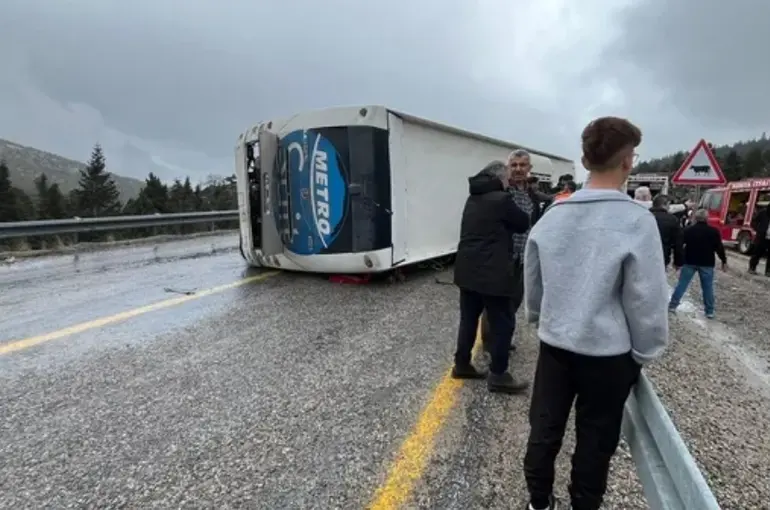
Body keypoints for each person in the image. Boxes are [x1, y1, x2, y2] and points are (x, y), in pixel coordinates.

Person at [522, 116, 669, 510]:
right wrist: (645, 350)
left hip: (555, 345)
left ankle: (538, 501)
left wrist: (539, 317)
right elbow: (647, 299)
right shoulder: (637, 221)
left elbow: (533, 279)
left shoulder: (554, 216)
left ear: (585, 162)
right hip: (607, 355)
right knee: (596, 440)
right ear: (627, 162)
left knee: (544, 429)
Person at [452, 160, 531, 394]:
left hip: (467, 269)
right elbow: (522, 223)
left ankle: (462, 364)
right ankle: (499, 374)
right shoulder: (502, 199)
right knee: (503, 323)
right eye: (506, 177)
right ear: (498, 178)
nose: (508, 180)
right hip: (493, 272)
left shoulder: (472, 198)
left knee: (468, 319)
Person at [479, 149, 544, 353]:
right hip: (502, 256)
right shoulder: (502, 191)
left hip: (523, 258)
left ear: (529, 168)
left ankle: (502, 337)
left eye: (522, 165)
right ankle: (490, 342)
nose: (518, 169)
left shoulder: (533, 195)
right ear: (508, 168)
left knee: (514, 302)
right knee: (495, 303)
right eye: (514, 165)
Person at [669, 208, 727, 319]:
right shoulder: (714, 231)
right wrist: (724, 261)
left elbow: (679, 246)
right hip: (707, 262)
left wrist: (678, 261)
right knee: (707, 288)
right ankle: (709, 311)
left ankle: (672, 305)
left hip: (689, 260)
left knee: (682, 284)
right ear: (707, 218)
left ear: (695, 218)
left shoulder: (687, 230)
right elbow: (719, 248)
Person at [649, 194, 684, 269]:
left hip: (643, 256)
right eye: (669, 204)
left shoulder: (644, 216)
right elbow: (678, 243)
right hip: (662, 256)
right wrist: (678, 262)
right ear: (665, 204)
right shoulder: (672, 219)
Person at [748, 204, 770, 276]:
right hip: (762, 237)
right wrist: (758, 230)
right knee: (757, 253)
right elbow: (753, 221)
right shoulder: (763, 212)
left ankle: (768, 272)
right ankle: (752, 268)